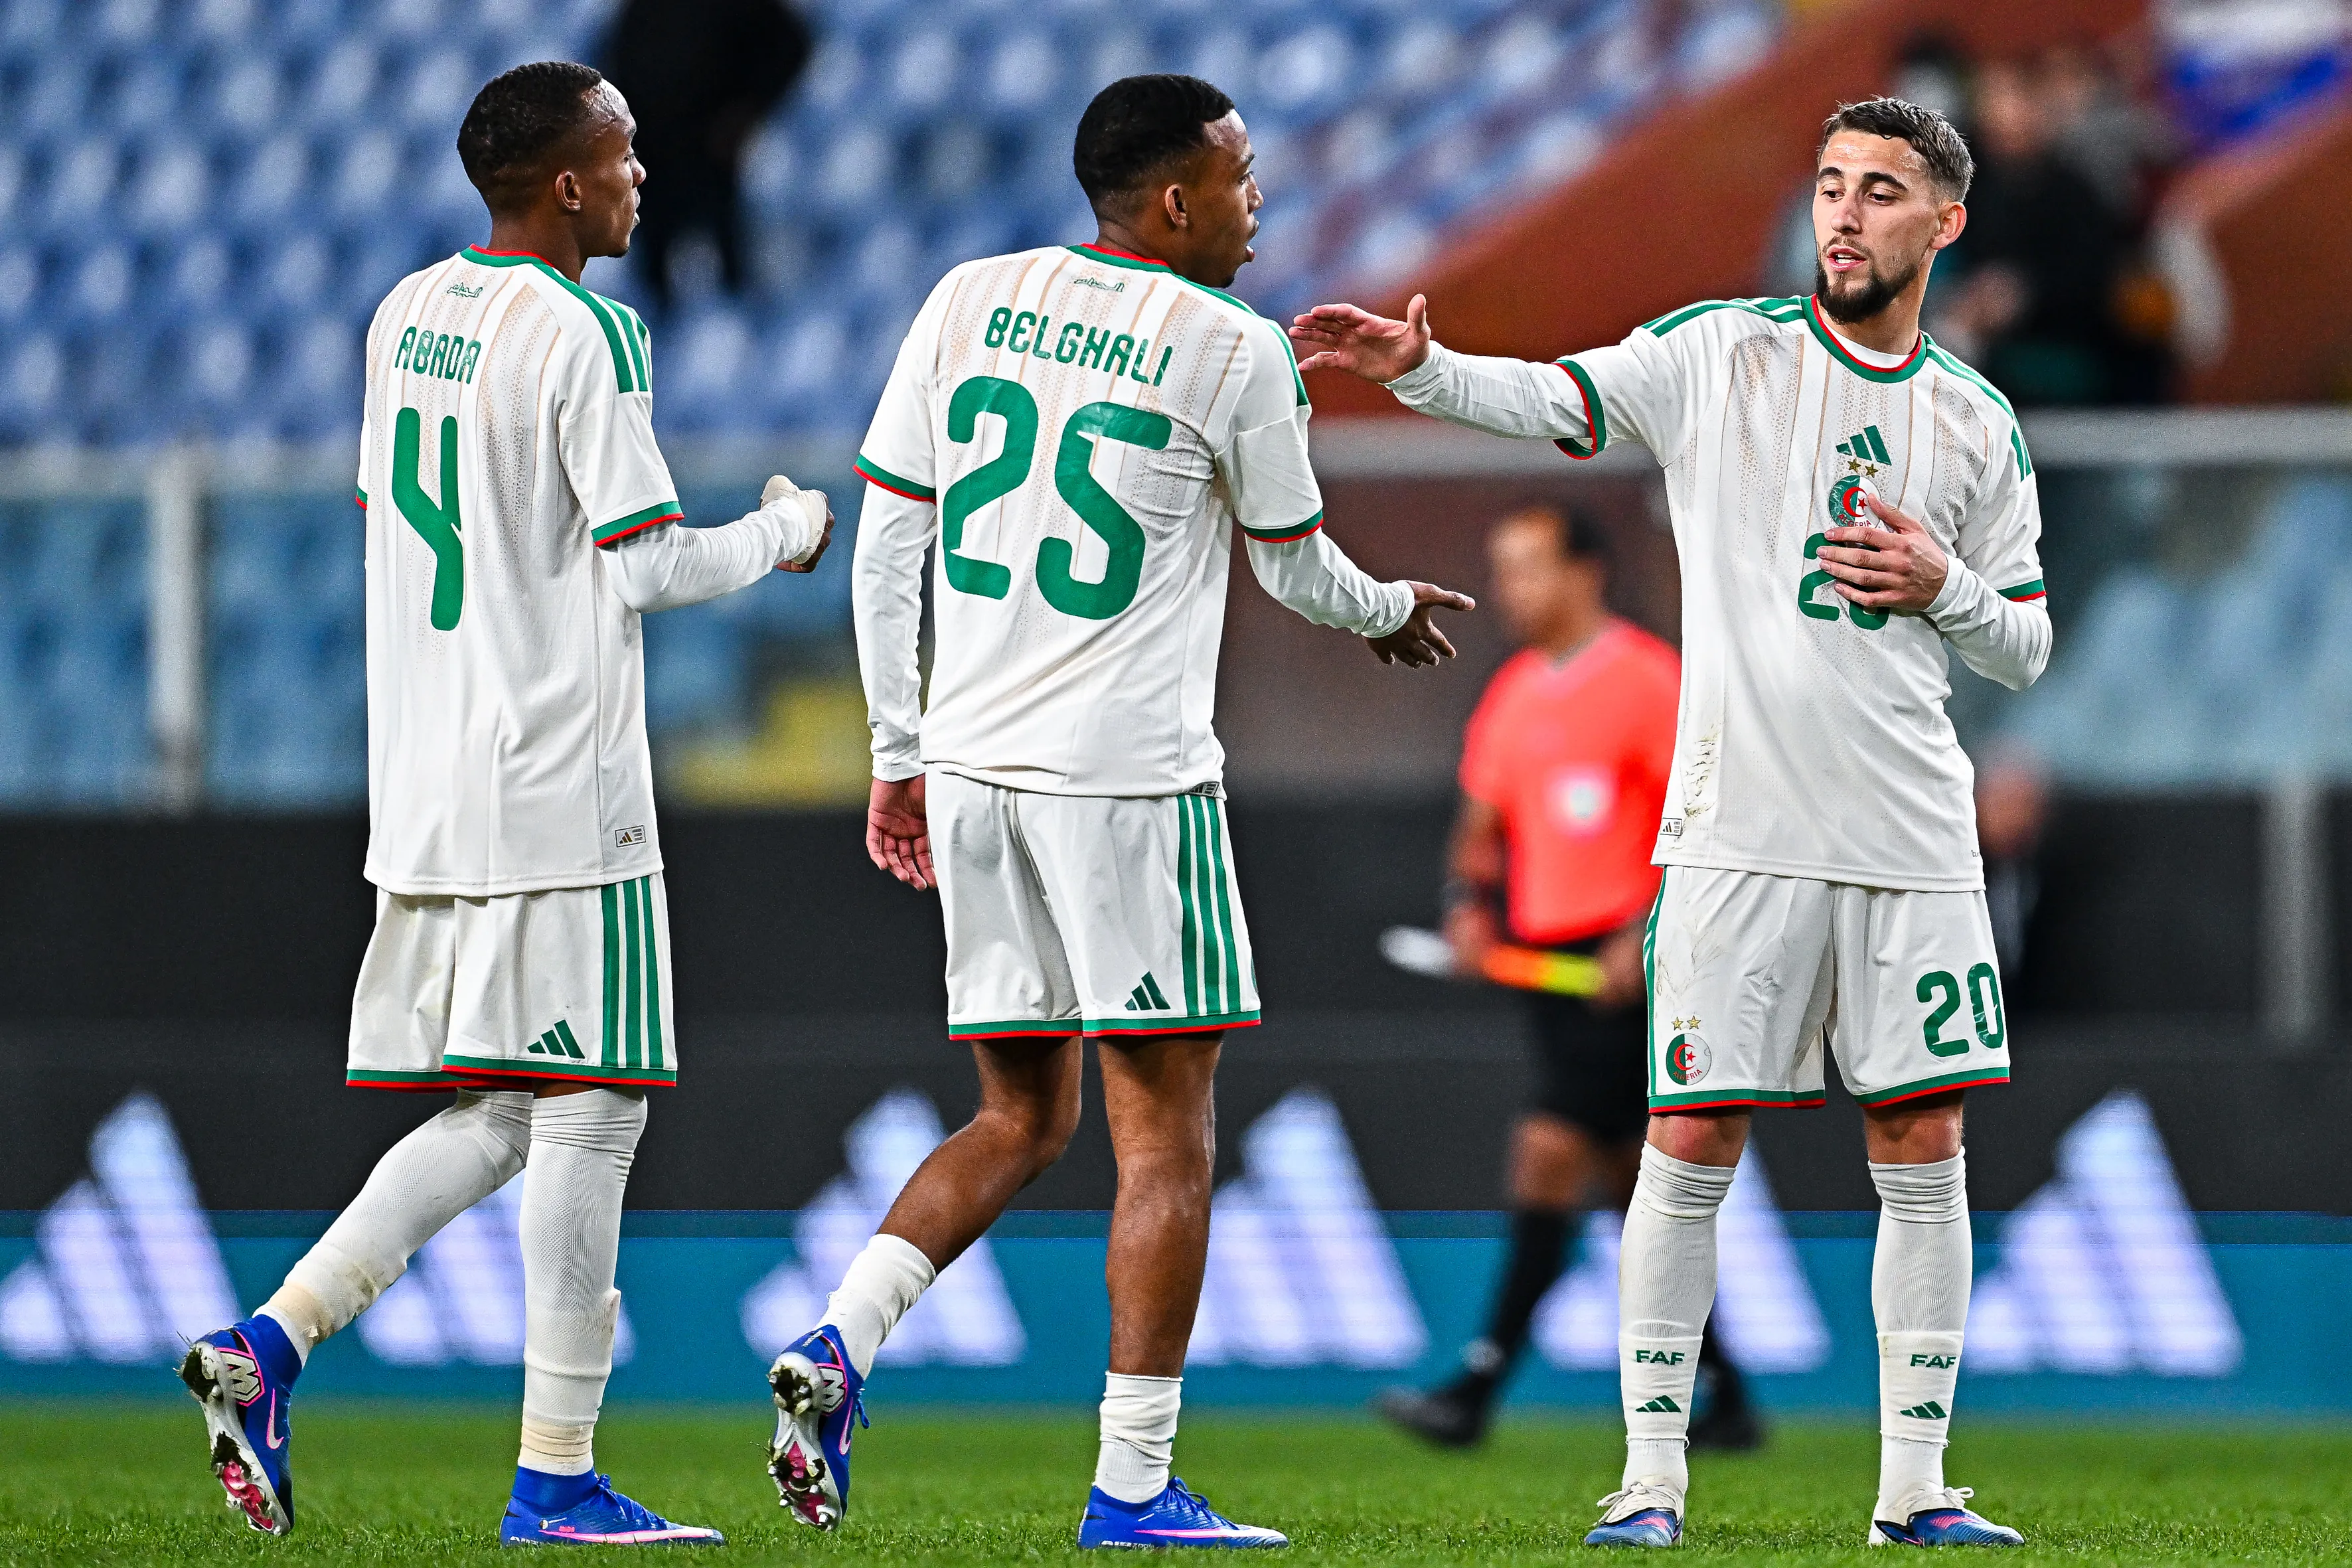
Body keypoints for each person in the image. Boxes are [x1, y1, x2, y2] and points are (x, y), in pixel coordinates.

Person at [1293, 96, 2050, 1549]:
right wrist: (1424, 368)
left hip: (1908, 835)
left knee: (1922, 1137)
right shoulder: (1721, 352)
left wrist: (1941, 583)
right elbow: (1557, 400)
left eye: (1880, 191)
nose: (1842, 213)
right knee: (1687, 1136)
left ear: (1943, 224)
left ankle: (1913, 1491)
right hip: (1734, 834)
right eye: (1829, 184)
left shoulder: (1974, 420)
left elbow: (2019, 641)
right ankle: (1648, 1479)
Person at [771, 73, 1472, 1551]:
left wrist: (899, 744)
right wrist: (1392, 610)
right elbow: (1296, 566)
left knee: (1017, 1111)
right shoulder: (1228, 347)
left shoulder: (969, 295)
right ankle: (1135, 1485)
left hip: (969, 765)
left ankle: (837, 1340)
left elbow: (889, 535)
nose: (1257, 199)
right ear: (1173, 201)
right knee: (1164, 1143)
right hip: (1128, 783)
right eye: (1239, 175)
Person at [177, 61, 833, 1546]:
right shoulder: (588, 328)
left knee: (499, 1106)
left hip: (426, 775)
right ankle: (555, 1475)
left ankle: (267, 1348)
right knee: (593, 1109)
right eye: (622, 156)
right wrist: (786, 530)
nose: (642, 177)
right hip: (555, 780)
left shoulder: (404, 309)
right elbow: (648, 564)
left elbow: (395, 527)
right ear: (563, 186)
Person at [1374, 505, 1760, 1454]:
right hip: (1547, 974)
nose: (1508, 590)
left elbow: (1703, 819)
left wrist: (1646, 927)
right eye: (1500, 570)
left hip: (1626, 974)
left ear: (1585, 572)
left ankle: (1473, 1386)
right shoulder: (1510, 693)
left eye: (1527, 568)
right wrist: (1467, 905)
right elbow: (1479, 829)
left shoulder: (1647, 680)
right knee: (1635, 1179)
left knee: (1547, 1151)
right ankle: (1723, 1390)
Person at [598, 0, 812, 309]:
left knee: (735, 276)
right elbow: (616, 71)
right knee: (656, 288)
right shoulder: (640, 12)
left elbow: (790, 45)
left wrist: (747, 112)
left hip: (719, 166)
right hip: (655, 167)